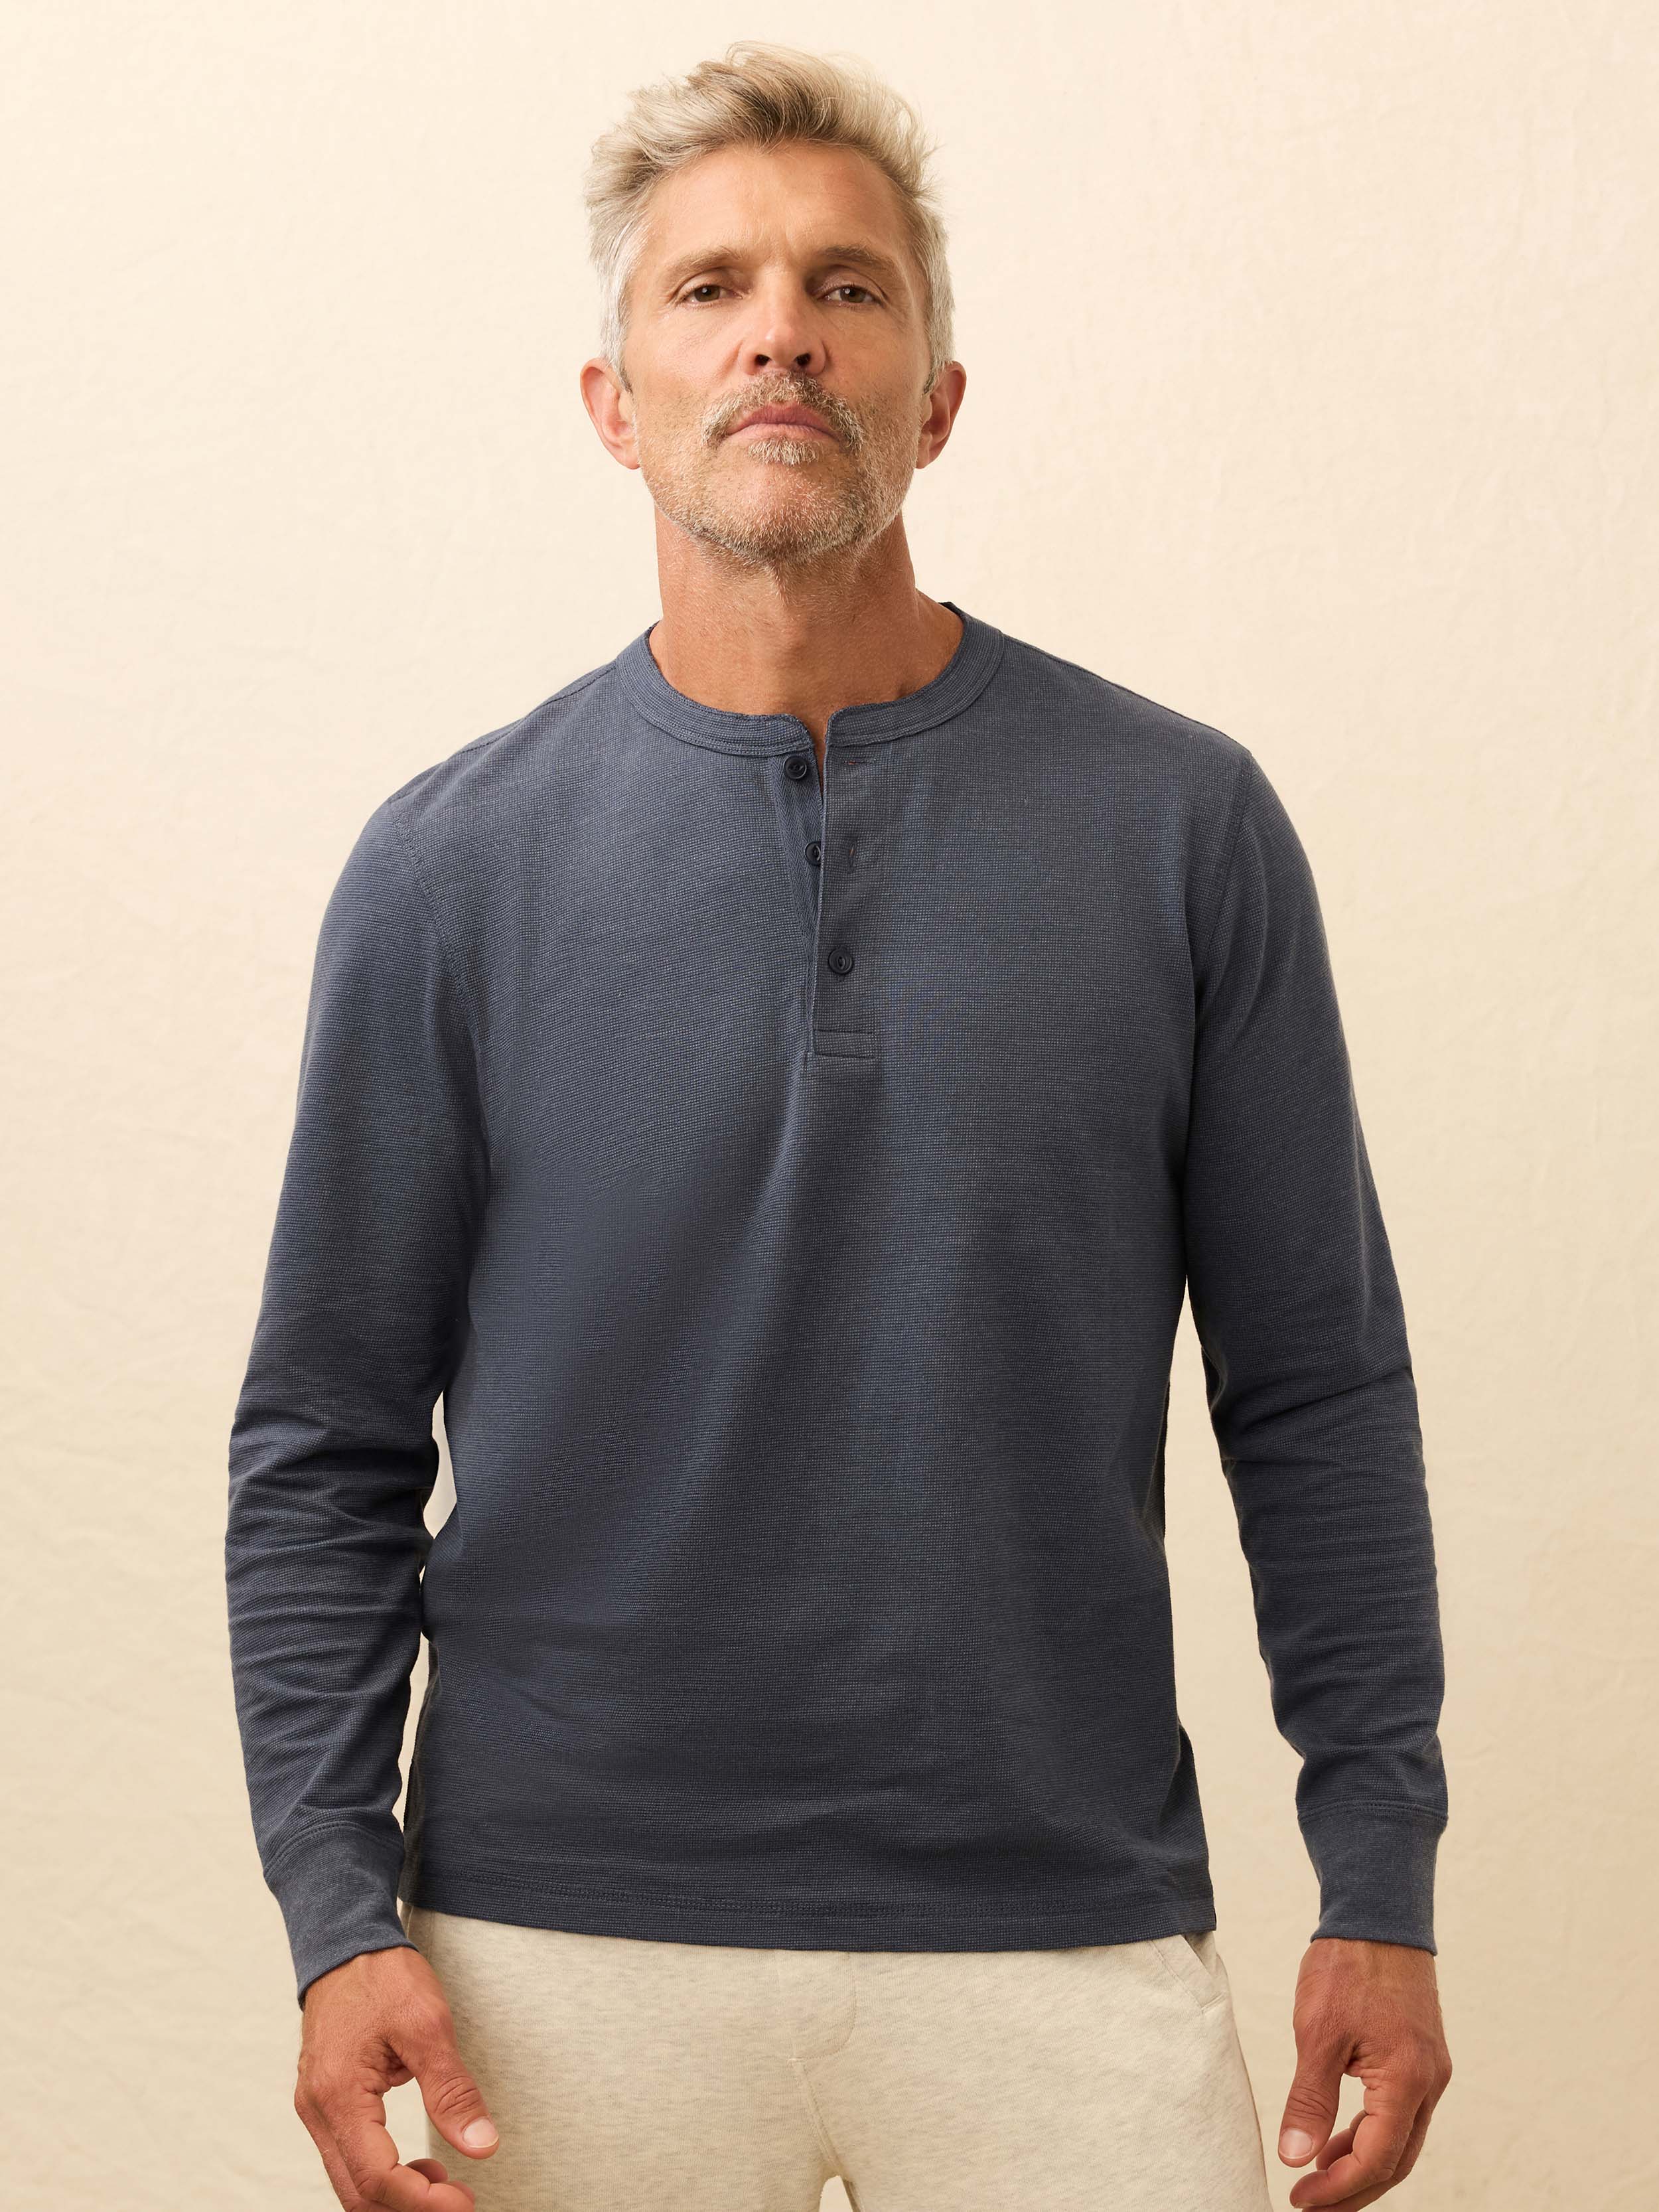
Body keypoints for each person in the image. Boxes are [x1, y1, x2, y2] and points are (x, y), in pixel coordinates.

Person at [226, 38, 1452, 2212]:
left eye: (846, 285)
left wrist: (1378, 1866)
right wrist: (340, 1916)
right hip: (551, 1956)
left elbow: (1320, 1392)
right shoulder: (448, 869)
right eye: (706, 289)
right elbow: (322, 1442)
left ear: (939, 394)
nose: (777, 325)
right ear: (614, 402)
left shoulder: (1180, 829)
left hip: (1060, 1938)